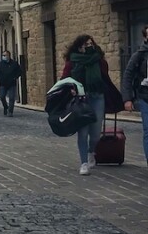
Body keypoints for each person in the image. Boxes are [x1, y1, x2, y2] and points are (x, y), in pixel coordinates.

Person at [60, 34, 122, 176]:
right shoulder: (73, 62)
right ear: (79, 47)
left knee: (95, 134)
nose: (88, 46)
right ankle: (84, 163)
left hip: (97, 97)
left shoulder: (99, 62)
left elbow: (105, 80)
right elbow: (64, 80)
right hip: (81, 100)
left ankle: (91, 151)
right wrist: (70, 89)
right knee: (83, 132)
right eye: (85, 44)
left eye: (90, 44)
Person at [123, 24, 148, 167]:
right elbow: (128, 76)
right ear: (145, 37)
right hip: (145, 97)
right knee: (147, 131)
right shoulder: (139, 55)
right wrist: (127, 99)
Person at [0, 50, 23, 116]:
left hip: (12, 83)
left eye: (5, 55)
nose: (4, 56)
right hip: (3, 83)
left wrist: (14, 77)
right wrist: (0, 79)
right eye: (3, 55)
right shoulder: (1, 64)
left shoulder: (14, 63)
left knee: (11, 97)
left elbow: (19, 71)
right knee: (2, 96)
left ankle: (10, 111)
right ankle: (5, 107)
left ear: (8, 56)